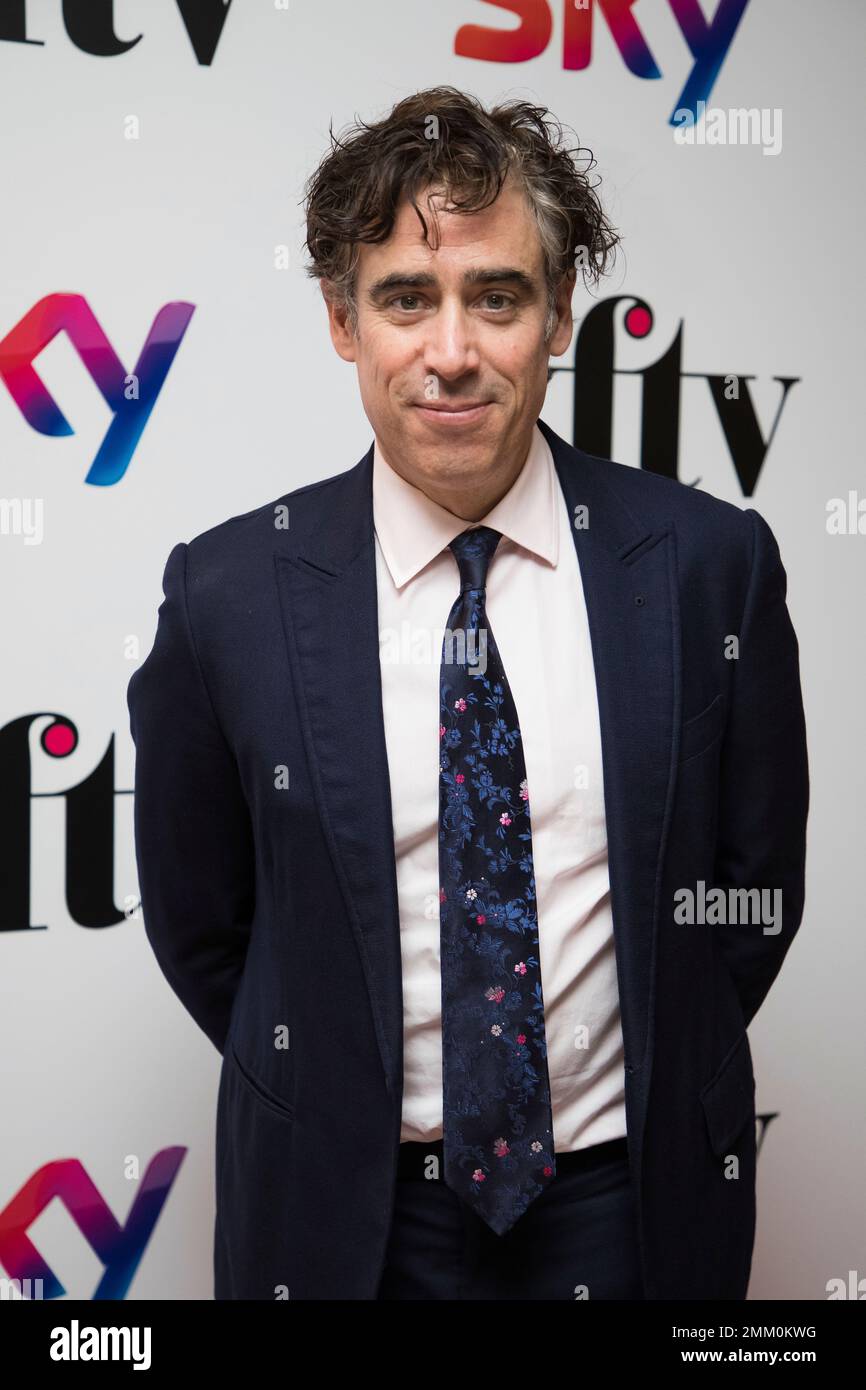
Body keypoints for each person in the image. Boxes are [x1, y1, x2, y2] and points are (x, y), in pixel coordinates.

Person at [127, 86, 809, 1300]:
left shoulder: (709, 566)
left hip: (626, 1209)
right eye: (404, 298)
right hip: (343, 1219)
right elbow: (207, 926)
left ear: (554, 318)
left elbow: (744, 898)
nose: (452, 351)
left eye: (495, 296)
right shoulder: (226, 595)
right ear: (342, 322)